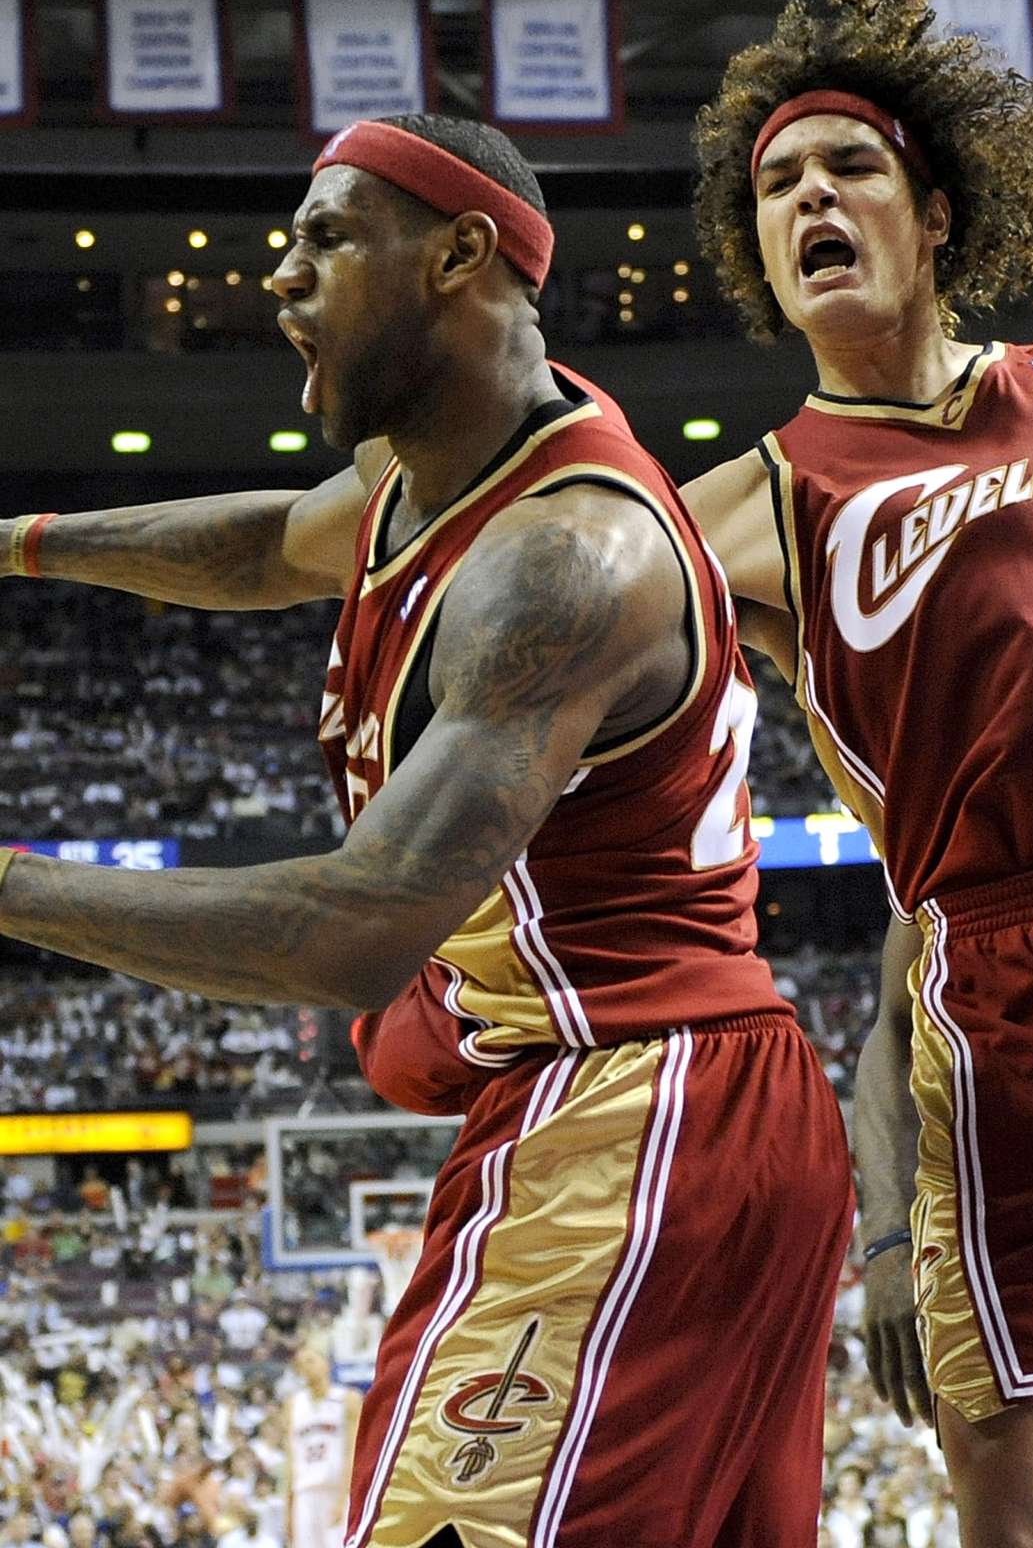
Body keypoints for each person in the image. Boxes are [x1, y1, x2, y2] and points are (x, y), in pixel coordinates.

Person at [0, 113, 852, 1546]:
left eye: (325, 237)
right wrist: (23, 545)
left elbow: (351, 931)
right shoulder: (428, 482)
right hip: (640, 1109)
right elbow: (271, 541)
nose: (281, 276)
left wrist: (12, 885)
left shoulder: (566, 560)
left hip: (636, 1111)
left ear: (462, 255)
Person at [684, 0, 1033, 1548]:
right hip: (1021, 1006)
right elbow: (484, 588)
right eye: (777, 185)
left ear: (935, 205)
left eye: (845, 166)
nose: (809, 199)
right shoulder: (752, 505)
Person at [284, 1342, 360, 1548]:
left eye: (310, 1360)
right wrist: (288, 1508)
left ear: (326, 1364)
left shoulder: (348, 1399)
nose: (305, 1367)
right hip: (305, 1492)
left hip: (335, 1489)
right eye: (300, 1364)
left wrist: (344, 1498)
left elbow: (352, 1452)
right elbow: (291, 1460)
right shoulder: (293, 1404)